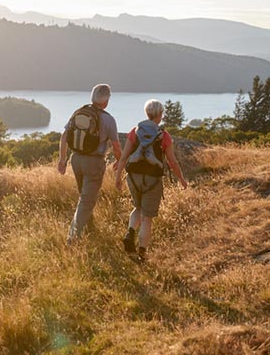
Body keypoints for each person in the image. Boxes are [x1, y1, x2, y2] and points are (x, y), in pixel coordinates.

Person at [114, 99, 188, 262]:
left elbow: (124, 157)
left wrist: (118, 177)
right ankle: (142, 253)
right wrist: (181, 179)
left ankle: (130, 232)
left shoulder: (135, 131)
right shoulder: (164, 136)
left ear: (147, 113)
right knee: (147, 217)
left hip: (133, 177)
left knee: (138, 207)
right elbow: (172, 162)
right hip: (152, 179)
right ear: (160, 115)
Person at [58, 84, 122, 244]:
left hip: (76, 159)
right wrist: (120, 161)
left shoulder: (79, 113)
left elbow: (64, 136)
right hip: (94, 162)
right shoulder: (108, 119)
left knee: (85, 197)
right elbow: (116, 145)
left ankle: (90, 228)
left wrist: (62, 159)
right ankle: (72, 239)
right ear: (106, 101)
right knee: (86, 200)